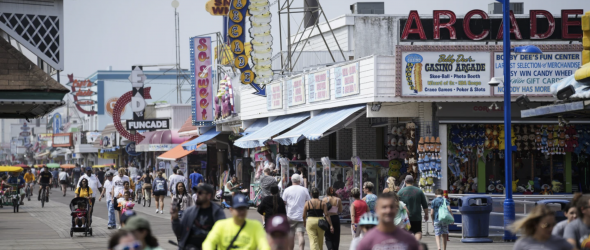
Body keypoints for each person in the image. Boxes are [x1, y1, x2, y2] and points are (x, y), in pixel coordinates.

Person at [202, 194, 270, 250]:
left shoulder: (256, 226)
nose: (242, 212)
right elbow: (208, 242)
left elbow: (264, 244)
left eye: (243, 208)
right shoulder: (220, 225)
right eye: (238, 209)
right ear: (231, 210)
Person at [172, 183, 225, 250]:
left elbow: (222, 233)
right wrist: (175, 219)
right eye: (197, 192)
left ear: (209, 196)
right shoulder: (189, 211)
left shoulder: (217, 211)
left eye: (200, 193)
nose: (197, 195)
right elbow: (179, 232)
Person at [282, 174, 310, 250]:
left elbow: (283, 202)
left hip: (290, 215)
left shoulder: (287, 190)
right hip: (301, 215)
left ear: (291, 181)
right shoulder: (304, 190)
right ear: (299, 181)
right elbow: (308, 201)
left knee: (291, 236)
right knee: (300, 235)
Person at [398, 175, 429, 240]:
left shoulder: (400, 192)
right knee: (418, 231)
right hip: (416, 216)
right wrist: (426, 214)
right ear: (413, 181)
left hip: (405, 217)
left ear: (405, 181)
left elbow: (397, 204)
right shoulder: (419, 191)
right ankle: (416, 243)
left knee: (406, 232)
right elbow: (425, 205)